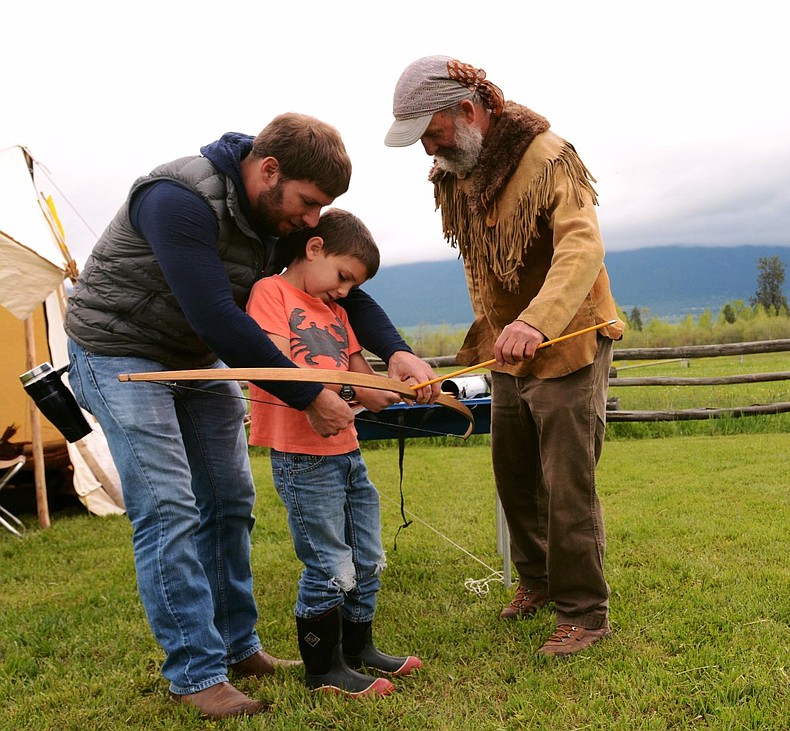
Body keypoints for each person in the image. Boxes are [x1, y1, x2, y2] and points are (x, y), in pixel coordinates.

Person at [64, 113, 440, 718]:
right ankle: (196, 672)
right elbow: (218, 314)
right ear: (269, 171)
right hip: (116, 352)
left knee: (231, 498)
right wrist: (305, 394)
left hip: (193, 357)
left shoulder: (277, 215)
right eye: (309, 204)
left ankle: (240, 648)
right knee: (169, 506)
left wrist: (394, 350)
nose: (313, 221)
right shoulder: (177, 200)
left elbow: (344, 292)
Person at [383, 56, 625, 657]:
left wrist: (537, 320)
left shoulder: (548, 157)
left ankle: (585, 613)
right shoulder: (456, 168)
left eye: (431, 133)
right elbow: (485, 267)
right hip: (507, 348)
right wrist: (497, 331)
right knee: (514, 473)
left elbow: (581, 246)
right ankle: (538, 582)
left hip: (567, 340)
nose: (428, 150)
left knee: (566, 481)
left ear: (467, 111)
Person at [246, 209, 421, 698]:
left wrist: (402, 387)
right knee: (329, 565)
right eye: (343, 276)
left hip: (347, 450)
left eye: (353, 284)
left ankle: (357, 648)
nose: (345, 291)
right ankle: (323, 671)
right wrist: (323, 392)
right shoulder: (270, 293)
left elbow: (365, 385)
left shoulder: (341, 314)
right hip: (302, 456)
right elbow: (271, 365)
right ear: (315, 248)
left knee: (367, 557)